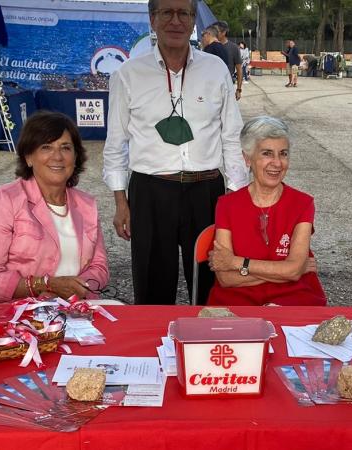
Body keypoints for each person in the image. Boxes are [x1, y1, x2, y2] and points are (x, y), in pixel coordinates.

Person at [103, 0, 248, 306]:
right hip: (151, 191)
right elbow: (116, 144)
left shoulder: (215, 69)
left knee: (213, 282)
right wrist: (120, 201)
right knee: (153, 287)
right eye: (166, 12)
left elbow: (231, 136)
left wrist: (235, 198)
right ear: (152, 19)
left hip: (207, 191)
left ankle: (209, 347)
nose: (176, 20)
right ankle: (154, 348)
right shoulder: (129, 74)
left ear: (194, 20)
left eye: (184, 13)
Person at [0, 111, 109, 303]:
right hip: (13, 317)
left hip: (73, 312)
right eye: (46, 147)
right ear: (29, 157)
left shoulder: (87, 204)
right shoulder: (5, 200)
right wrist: (45, 285)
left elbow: (99, 267)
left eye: (65, 148)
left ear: (76, 157)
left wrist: (76, 288)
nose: (57, 156)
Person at [207, 116, 327, 306]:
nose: (277, 163)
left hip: (294, 300)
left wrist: (237, 263)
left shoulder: (303, 203)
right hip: (238, 302)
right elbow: (226, 278)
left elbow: (294, 271)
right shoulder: (226, 204)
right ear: (247, 158)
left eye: (283, 154)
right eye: (267, 153)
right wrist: (285, 271)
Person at [211, 20, 243, 100]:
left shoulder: (234, 48)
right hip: (211, 86)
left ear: (224, 32)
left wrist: (238, 89)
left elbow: (239, 69)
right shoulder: (210, 47)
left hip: (227, 86)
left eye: (216, 31)